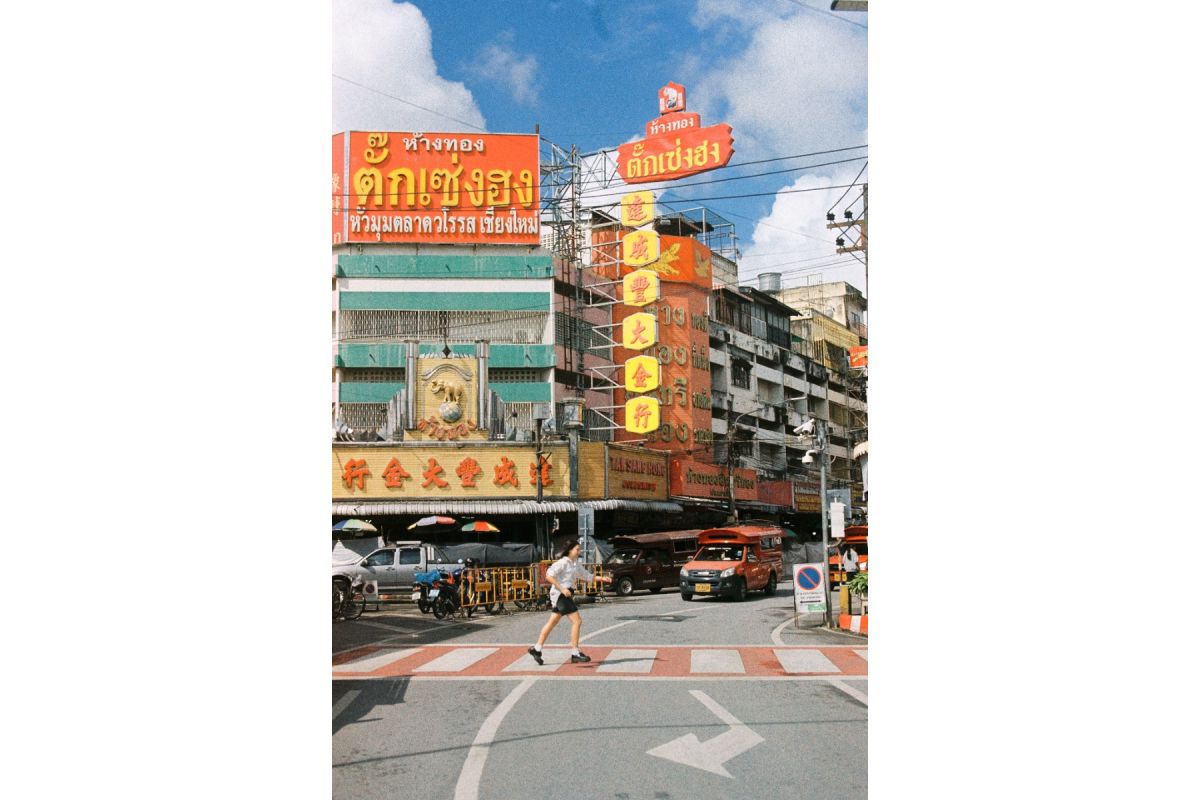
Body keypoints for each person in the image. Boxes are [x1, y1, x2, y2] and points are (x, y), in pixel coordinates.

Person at [528, 539, 613, 664]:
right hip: (560, 595)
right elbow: (548, 575)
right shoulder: (562, 563)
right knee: (577, 621)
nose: (579, 552)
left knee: (552, 623)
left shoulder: (575, 564)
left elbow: (587, 576)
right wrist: (562, 588)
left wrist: (602, 578)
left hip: (564, 595)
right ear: (570, 550)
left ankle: (537, 649)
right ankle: (575, 653)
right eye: (577, 549)